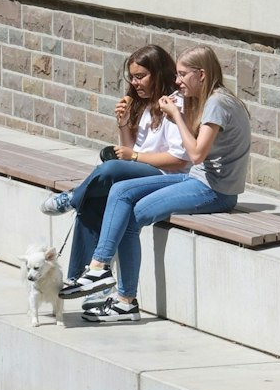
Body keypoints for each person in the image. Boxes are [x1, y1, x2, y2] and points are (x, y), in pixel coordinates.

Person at [62, 46, 250, 323]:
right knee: (121, 190)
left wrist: (176, 117)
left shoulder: (218, 104)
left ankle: (124, 300)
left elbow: (195, 154)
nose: (178, 81)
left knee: (131, 215)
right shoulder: (209, 100)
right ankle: (99, 267)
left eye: (183, 74)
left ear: (202, 74)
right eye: (177, 74)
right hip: (195, 180)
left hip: (214, 191)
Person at [40, 45, 189, 284]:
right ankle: (83, 278)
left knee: (109, 170)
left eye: (141, 76)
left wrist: (134, 157)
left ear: (158, 73)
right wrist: (123, 123)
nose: (135, 82)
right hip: (140, 168)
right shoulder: (144, 103)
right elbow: (131, 151)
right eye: (132, 77)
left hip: (165, 175)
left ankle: (72, 197)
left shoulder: (173, 104)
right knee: (92, 202)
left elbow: (179, 158)